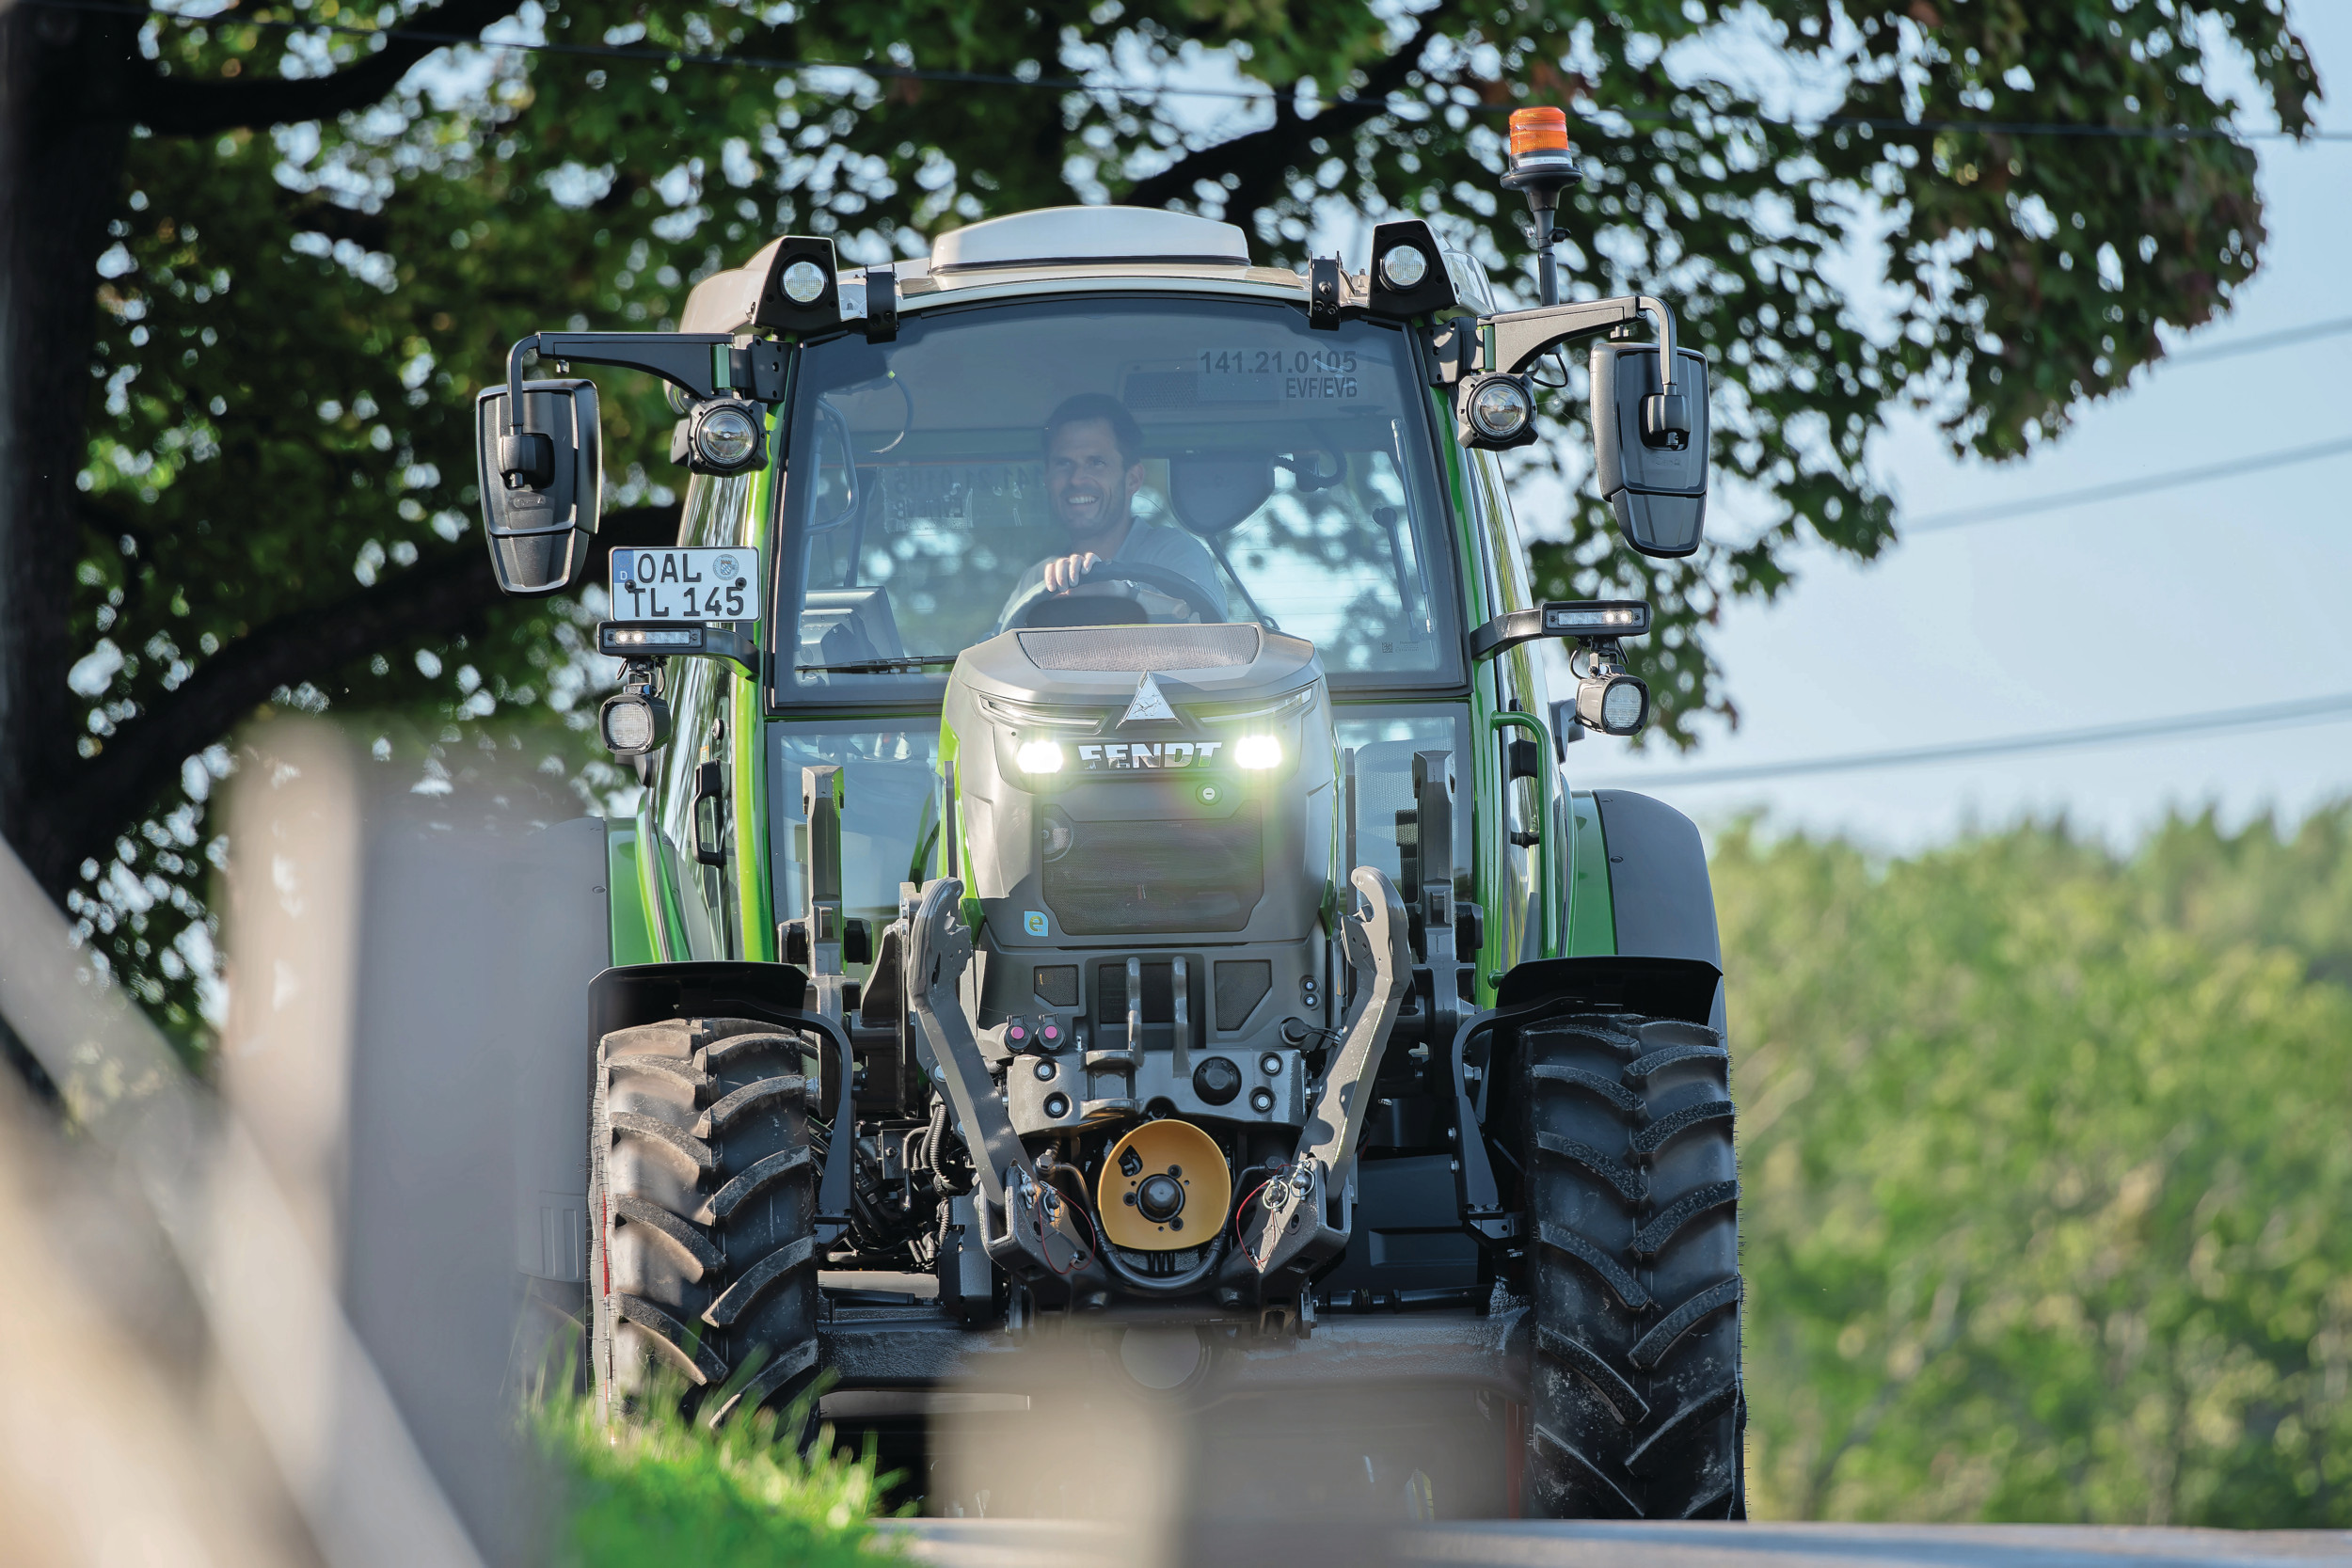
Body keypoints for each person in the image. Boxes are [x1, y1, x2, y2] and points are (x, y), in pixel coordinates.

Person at [995, 393, 1229, 628]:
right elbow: (987, 656)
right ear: (1047, 479)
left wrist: (1123, 595)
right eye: (1063, 463)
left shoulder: (1175, 554)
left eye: (1096, 462)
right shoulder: (1039, 579)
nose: (1076, 479)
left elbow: (1209, 639)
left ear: (1132, 479)